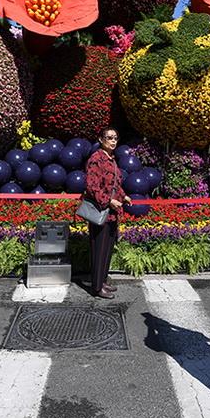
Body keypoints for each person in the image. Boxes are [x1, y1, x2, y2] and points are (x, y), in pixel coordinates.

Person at [83, 126, 130, 299]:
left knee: (107, 249)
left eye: (115, 138)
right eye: (109, 137)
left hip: (111, 213)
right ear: (101, 140)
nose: (113, 141)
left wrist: (124, 197)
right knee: (99, 250)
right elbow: (92, 186)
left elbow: (114, 185)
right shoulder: (97, 159)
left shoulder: (111, 159)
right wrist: (109, 201)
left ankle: (101, 281)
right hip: (100, 212)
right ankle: (96, 288)